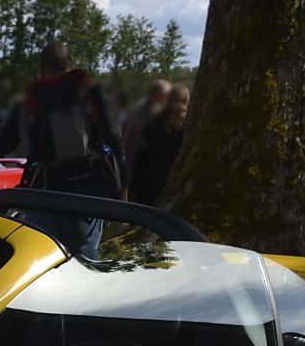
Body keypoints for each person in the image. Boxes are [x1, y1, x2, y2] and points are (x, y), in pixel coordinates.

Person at [17, 42, 122, 260]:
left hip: (47, 193)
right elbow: (112, 137)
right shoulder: (90, 93)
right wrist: (121, 185)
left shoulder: (35, 98)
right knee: (86, 260)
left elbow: (28, 146)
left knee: (43, 258)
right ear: (71, 65)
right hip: (88, 194)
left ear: (42, 69)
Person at [128, 83, 188, 207]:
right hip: (175, 178)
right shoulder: (190, 124)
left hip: (150, 178)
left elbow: (141, 153)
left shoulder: (153, 121)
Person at [118, 78, 170, 184]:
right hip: (142, 165)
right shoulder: (154, 111)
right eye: (166, 94)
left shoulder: (139, 107)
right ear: (158, 94)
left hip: (131, 163)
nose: (168, 98)